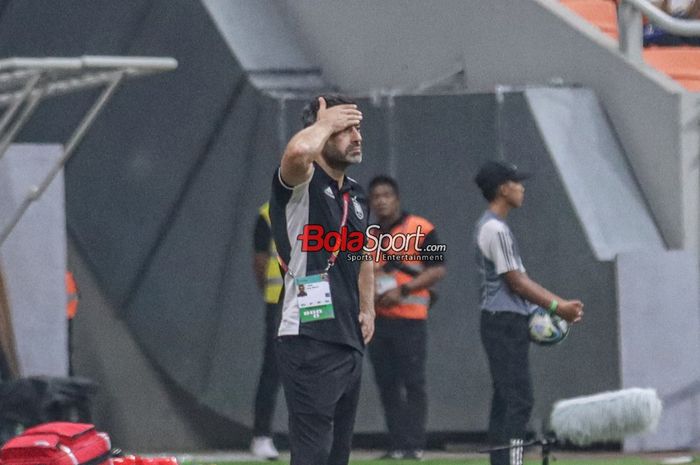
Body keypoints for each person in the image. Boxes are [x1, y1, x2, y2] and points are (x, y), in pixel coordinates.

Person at [269, 95, 375, 465]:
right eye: (345, 128)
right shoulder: (302, 182)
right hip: (309, 336)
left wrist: (368, 309)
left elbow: (364, 256)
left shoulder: (356, 194)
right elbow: (298, 153)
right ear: (320, 131)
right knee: (313, 451)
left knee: (337, 455)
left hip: (348, 338)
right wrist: (324, 122)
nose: (356, 136)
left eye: (357, 127)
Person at [472, 160, 584, 465]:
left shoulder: (494, 227)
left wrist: (555, 304)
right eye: (516, 182)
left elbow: (518, 282)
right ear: (503, 188)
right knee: (518, 400)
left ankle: (502, 462)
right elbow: (517, 282)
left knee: (505, 398)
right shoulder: (495, 229)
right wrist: (557, 306)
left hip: (501, 321)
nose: (522, 188)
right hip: (504, 322)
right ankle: (512, 462)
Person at [366, 175, 446, 460]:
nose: (381, 200)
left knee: (412, 382)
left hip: (410, 317)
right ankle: (396, 444)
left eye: (387, 195)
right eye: (376, 196)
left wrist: (405, 289)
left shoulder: (422, 228)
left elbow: (438, 269)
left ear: (397, 198)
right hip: (378, 320)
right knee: (386, 383)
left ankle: (415, 444)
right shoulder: (368, 236)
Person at [250, 202, 283, 460]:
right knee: (274, 367)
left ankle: (316, 433)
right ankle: (262, 436)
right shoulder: (268, 212)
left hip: (316, 297)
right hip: (281, 298)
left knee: (318, 366)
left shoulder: (324, 204)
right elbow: (260, 259)